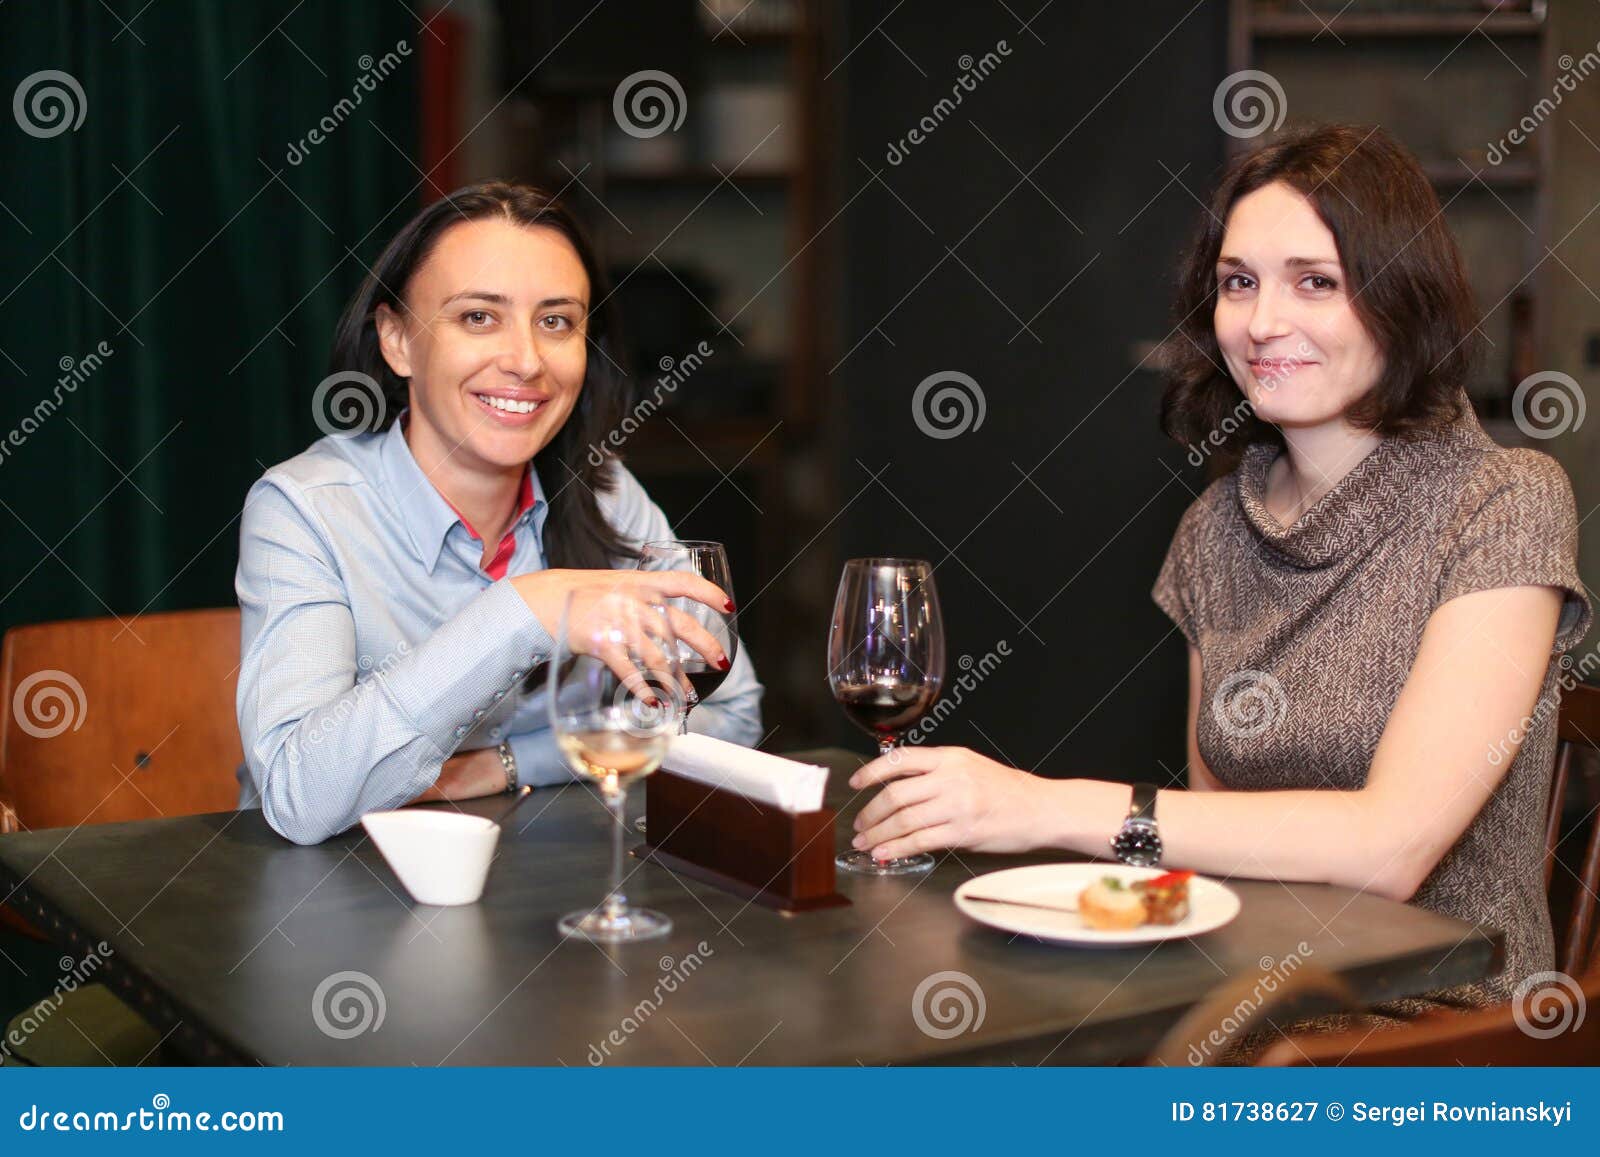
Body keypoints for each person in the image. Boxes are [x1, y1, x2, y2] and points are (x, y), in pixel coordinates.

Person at [848, 125, 1591, 1019]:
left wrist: (1039, 807)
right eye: (1239, 282)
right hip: (1246, 1004)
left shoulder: (1503, 501)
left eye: (1315, 281)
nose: (1263, 321)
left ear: (1403, 299)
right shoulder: (1216, 528)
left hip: (1438, 1037)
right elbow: (1217, 841)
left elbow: (1389, 848)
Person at [235, 182, 763, 846]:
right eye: (478, 317)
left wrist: (507, 763)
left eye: (556, 321)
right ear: (397, 339)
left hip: (541, 909)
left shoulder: (605, 493)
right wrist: (525, 612)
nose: (525, 361)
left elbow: (731, 713)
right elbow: (300, 796)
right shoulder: (306, 510)